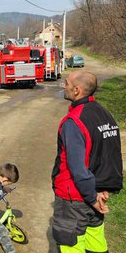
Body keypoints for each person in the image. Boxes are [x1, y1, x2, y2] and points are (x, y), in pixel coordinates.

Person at [52, 71, 123, 253]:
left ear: (76, 90)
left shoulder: (73, 122)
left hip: (74, 198)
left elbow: (77, 168)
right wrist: (103, 189)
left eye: (66, 83)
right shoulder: (104, 114)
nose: (63, 86)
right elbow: (110, 155)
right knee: (96, 241)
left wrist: (91, 198)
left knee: (71, 246)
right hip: (97, 194)